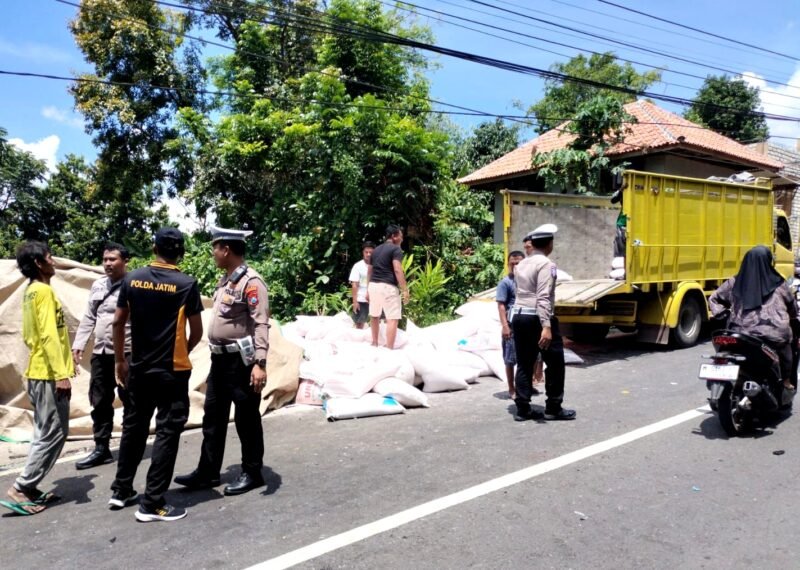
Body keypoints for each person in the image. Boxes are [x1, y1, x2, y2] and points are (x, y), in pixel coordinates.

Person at [109, 228, 203, 523]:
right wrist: (182, 351)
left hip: (138, 367)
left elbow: (117, 321)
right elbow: (197, 330)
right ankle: (152, 503)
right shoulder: (186, 283)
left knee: (134, 428)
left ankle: (121, 489)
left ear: (154, 248)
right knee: (167, 432)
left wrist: (120, 361)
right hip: (171, 372)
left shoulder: (132, 278)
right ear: (181, 252)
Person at [174, 226, 270, 496]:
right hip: (219, 362)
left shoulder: (252, 282)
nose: (213, 253)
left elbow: (261, 324)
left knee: (246, 418)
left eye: (215, 248)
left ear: (226, 249)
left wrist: (259, 364)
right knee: (213, 417)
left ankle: (253, 472)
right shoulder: (226, 281)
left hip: (242, 362)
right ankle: (207, 472)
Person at [1, 242, 74, 516]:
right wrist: (60, 374)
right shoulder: (42, 291)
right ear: (39, 264)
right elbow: (47, 335)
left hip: (37, 371)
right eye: (49, 257)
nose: (53, 261)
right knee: (54, 433)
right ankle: (21, 487)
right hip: (47, 374)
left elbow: (32, 335)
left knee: (46, 431)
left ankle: (29, 488)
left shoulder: (30, 292)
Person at [709, 245, 798, 402]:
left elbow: (714, 298)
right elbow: (793, 308)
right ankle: (785, 382)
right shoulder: (779, 284)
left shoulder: (734, 282)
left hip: (739, 333)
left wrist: (722, 314)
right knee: (788, 347)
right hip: (773, 336)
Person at [72, 243, 132, 470]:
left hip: (127, 351)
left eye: (112, 259)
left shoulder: (134, 284)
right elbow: (89, 316)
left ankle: (129, 443)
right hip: (101, 352)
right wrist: (79, 344)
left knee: (130, 399)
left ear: (125, 261)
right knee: (99, 401)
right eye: (105, 259)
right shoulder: (98, 285)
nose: (107, 263)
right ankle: (101, 448)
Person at [510, 224, 576, 422]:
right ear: (549, 244)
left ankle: (522, 409)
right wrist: (546, 326)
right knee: (555, 363)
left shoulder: (521, 264)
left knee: (524, 363)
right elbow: (543, 296)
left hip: (519, 316)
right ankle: (553, 408)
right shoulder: (546, 265)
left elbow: (519, 293)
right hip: (537, 318)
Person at [368, 224, 409, 349]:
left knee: (374, 315)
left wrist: (368, 289)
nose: (402, 239)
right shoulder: (396, 250)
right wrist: (405, 290)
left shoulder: (376, 250)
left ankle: (374, 343)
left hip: (373, 285)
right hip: (387, 287)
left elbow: (370, 271)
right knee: (392, 318)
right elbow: (397, 269)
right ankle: (389, 349)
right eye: (401, 236)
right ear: (394, 236)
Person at [496, 250, 526, 399]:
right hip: (512, 326)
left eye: (518, 263)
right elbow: (501, 305)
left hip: (526, 325)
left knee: (527, 358)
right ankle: (511, 389)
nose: (515, 266)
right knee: (510, 359)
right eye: (512, 263)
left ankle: (526, 386)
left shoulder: (528, 282)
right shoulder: (505, 283)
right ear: (508, 264)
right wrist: (505, 326)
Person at [349, 242, 375, 330]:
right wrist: (355, 302)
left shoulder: (378, 265)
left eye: (370, 252)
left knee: (378, 321)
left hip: (375, 298)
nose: (368, 254)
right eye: (366, 252)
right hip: (361, 299)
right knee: (359, 323)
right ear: (363, 252)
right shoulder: (357, 266)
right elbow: (354, 284)